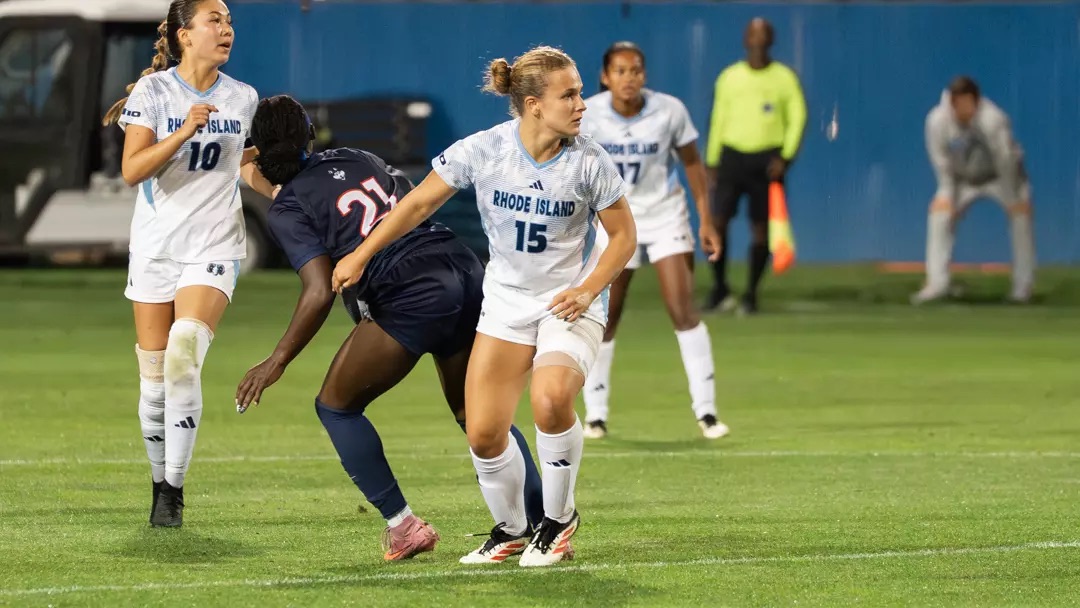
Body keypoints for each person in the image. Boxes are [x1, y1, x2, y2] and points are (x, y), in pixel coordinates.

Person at [332, 46, 637, 567]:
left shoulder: (589, 161)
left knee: (550, 398)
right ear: (534, 105)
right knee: (484, 432)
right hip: (506, 303)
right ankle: (512, 530)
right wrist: (360, 255)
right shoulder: (485, 149)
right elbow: (418, 202)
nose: (582, 104)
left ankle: (558, 522)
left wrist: (589, 290)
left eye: (581, 93)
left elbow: (624, 237)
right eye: (570, 95)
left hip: (569, 302)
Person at [233, 95, 545, 561]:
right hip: (461, 267)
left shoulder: (288, 208)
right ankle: (543, 523)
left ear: (260, 147)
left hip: (410, 290)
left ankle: (404, 526)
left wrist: (276, 360)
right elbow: (404, 199)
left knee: (336, 407)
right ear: (311, 136)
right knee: (478, 415)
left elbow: (318, 291)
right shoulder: (353, 157)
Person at [102, 0, 272, 528]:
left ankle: (174, 489)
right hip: (156, 248)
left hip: (215, 246)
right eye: (213, 21)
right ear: (184, 34)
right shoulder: (153, 92)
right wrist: (182, 132)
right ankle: (158, 482)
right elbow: (133, 170)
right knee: (154, 382)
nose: (226, 30)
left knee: (183, 355)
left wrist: (283, 192)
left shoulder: (243, 96)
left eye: (229, 21)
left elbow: (240, 165)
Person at [578, 41, 728, 440]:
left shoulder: (669, 110)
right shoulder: (588, 114)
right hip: (616, 221)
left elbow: (692, 163)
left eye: (636, 70)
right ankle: (596, 414)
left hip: (664, 215)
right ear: (606, 76)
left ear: (644, 74)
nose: (629, 78)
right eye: (620, 71)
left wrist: (706, 220)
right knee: (606, 316)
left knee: (683, 310)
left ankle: (707, 412)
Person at [703, 17, 807, 315]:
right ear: (745, 39)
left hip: (767, 161)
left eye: (763, 35)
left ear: (771, 40)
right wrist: (712, 159)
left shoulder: (784, 78)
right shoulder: (730, 77)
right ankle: (720, 289)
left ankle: (751, 293)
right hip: (731, 157)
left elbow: (797, 117)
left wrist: (785, 157)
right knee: (717, 223)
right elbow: (718, 118)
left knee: (761, 229)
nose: (758, 40)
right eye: (753, 34)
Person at [913, 76, 1035, 304]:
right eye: (959, 103)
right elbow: (940, 160)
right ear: (951, 102)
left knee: (1021, 217)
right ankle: (937, 284)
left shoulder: (994, 119)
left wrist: (1014, 197)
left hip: (1001, 178)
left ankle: (1022, 288)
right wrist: (947, 194)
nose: (964, 109)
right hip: (961, 181)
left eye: (969, 103)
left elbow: (1005, 159)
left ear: (977, 101)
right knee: (939, 214)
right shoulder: (936, 121)